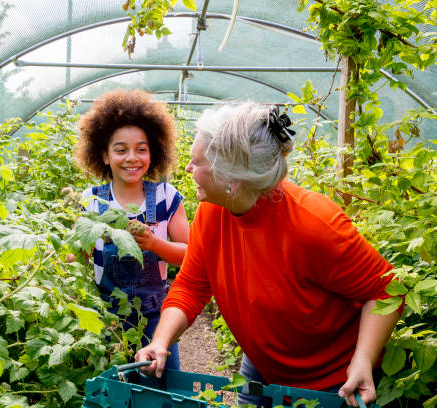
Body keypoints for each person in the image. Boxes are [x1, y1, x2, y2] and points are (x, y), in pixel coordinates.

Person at [135, 101, 401, 407]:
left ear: (232, 179)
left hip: (328, 383)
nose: (187, 169)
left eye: (196, 163)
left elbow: (386, 292)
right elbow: (192, 285)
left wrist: (362, 361)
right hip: (261, 368)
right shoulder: (212, 213)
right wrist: (160, 342)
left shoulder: (314, 225)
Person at [75, 89, 190, 370]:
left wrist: (154, 244)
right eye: (120, 149)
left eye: (141, 149)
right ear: (104, 155)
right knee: (114, 389)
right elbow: (77, 258)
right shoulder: (92, 201)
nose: (132, 158)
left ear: (153, 153)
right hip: (106, 318)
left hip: (155, 318)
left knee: (161, 386)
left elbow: (191, 255)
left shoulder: (166, 197)